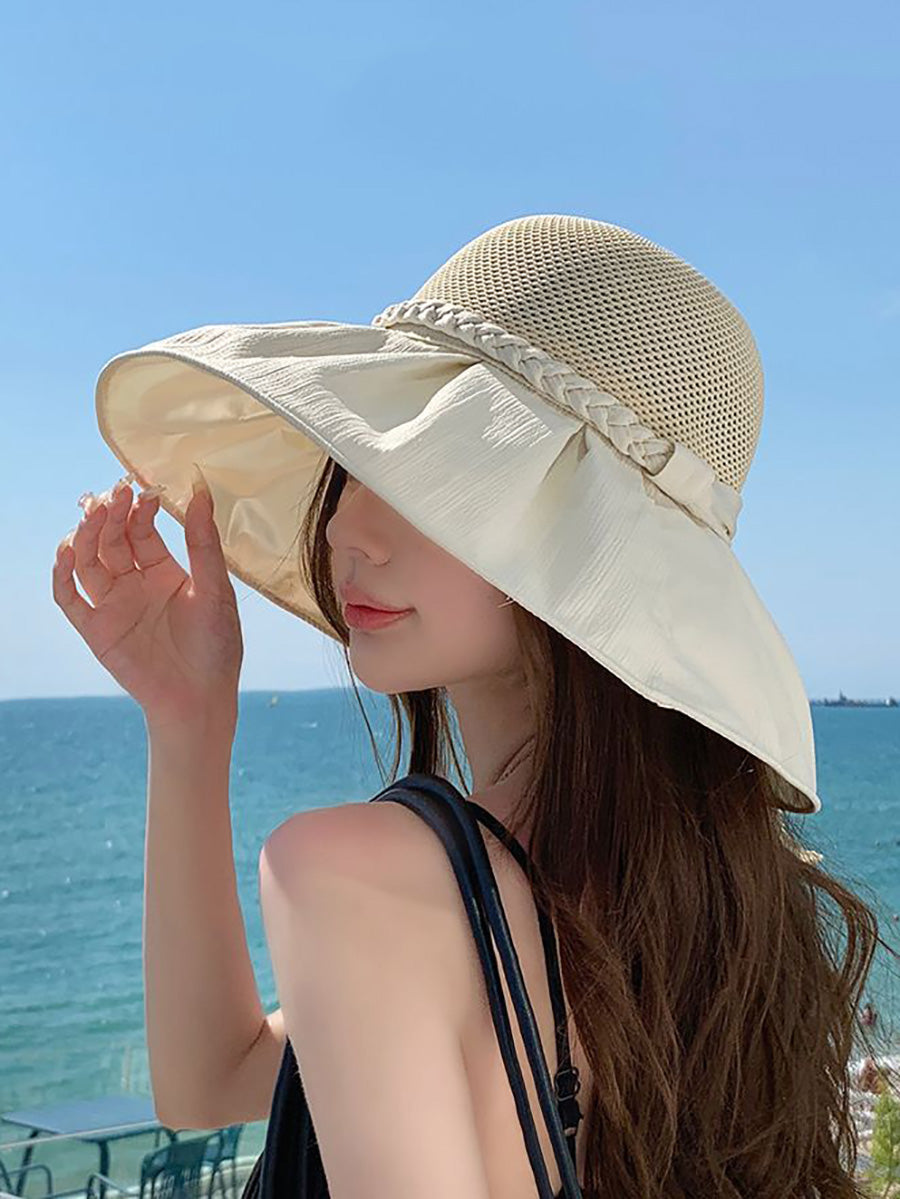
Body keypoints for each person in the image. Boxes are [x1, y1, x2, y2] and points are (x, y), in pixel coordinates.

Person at [53, 214, 895, 1198]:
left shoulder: (364, 878)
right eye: (355, 466)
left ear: (587, 544)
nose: (349, 530)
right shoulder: (723, 920)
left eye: (433, 478)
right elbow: (213, 1079)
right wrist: (188, 719)